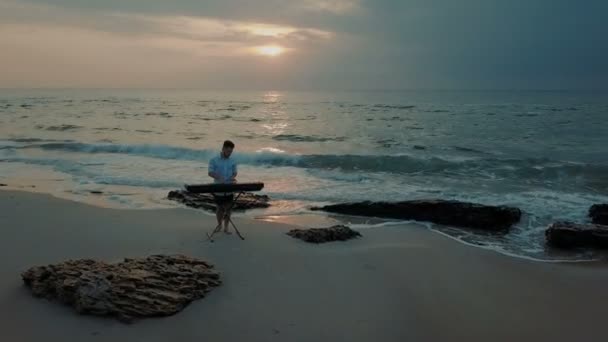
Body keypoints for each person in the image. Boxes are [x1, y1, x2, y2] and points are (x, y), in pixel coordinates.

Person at [208, 140, 238, 234]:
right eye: (228, 151)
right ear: (223, 148)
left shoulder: (233, 161)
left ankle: (226, 228)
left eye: (231, 151)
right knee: (219, 208)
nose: (229, 153)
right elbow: (210, 172)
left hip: (229, 187)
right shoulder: (214, 160)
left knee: (229, 208)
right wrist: (218, 177)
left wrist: (233, 178)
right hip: (218, 187)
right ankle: (219, 225)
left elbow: (235, 172)